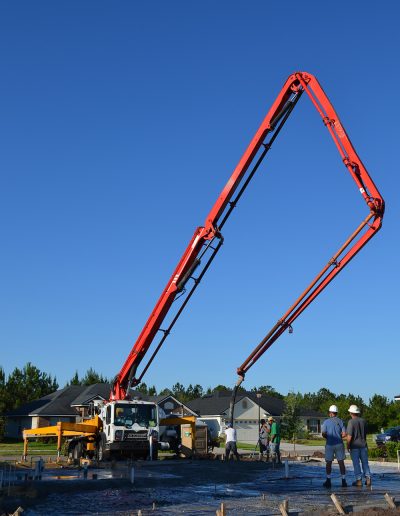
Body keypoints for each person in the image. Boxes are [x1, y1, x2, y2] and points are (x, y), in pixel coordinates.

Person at [321, 404, 347, 488]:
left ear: (330, 413)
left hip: (329, 444)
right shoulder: (341, 421)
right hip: (339, 444)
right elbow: (344, 434)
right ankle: (343, 481)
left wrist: (328, 437)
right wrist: (339, 436)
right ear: (336, 412)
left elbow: (323, 433)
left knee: (329, 462)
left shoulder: (326, 422)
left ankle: (328, 480)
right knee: (341, 462)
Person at [346, 404, 371, 487]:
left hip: (355, 447)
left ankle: (359, 481)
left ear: (351, 413)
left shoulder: (351, 422)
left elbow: (349, 436)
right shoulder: (363, 421)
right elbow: (365, 434)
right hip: (363, 445)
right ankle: (368, 479)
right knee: (365, 463)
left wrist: (348, 445)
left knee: (356, 464)